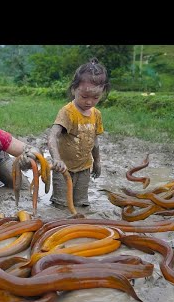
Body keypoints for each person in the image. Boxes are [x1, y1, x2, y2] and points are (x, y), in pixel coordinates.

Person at [48, 57, 110, 207]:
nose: (89, 102)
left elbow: (94, 141)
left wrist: (97, 161)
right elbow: (52, 136)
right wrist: (57, 159)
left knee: (81, 204)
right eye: (84, 96)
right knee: (61, 205)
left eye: (96, 97)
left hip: (84, 168)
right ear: (74, 89)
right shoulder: (68, 112)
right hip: (63, 169)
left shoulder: (96, 114)